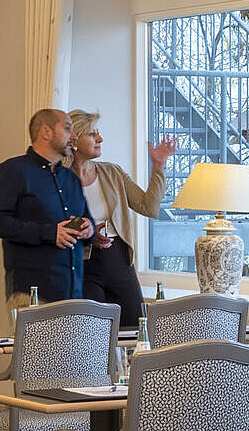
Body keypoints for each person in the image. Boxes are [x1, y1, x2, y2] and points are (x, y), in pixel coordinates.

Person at [64, 111, 177, 319]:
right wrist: (87, 234)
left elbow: (148, 207)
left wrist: (159, 167)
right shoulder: (58, 178)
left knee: (135, 329)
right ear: (74, 140)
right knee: (93, 333)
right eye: (92, 134)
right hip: (81, 263)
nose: (100, 139)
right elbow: (52, 220)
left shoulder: (112, 172)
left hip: (118, 259)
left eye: (98, 133)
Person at [0, 107, 93, 304]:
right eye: (67, 129)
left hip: (73, 295)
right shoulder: (13, 171)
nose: (74, 136)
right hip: (32, 295)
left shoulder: (71, 179)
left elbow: (87, 220)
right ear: (46, 132)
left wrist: (88, 229)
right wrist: (50, 233)